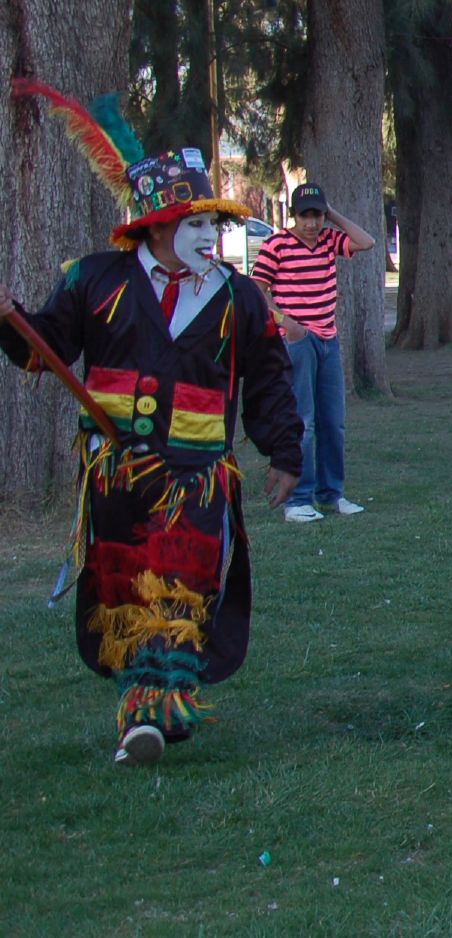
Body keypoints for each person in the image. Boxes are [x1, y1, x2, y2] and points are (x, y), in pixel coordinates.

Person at [2, 87, 301, 764]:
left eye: (208, 222)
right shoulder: (92, 282)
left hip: (195, 478)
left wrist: (284, 451)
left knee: (181, 585)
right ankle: (154, 709)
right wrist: (9, 319)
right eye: (192, 222)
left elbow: (269, 377)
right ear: (154, 227)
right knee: (128, 587)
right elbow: (40, 347)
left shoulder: (237, 296)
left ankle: (149, 715)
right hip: (115, 472)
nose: (206, 234)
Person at [252, 180, 377, 521]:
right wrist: (286, 322)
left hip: (328, 340)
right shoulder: (276, 245)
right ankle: (298, 500)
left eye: (317, 216)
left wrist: (334, 214)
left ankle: (331, 494)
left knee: (333, 422)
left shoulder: (328, 240)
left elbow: (366, 242)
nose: (311, 224)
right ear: (293, 216)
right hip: (297, 342)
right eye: (305, 216)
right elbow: (256, 290)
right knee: (302, 422)